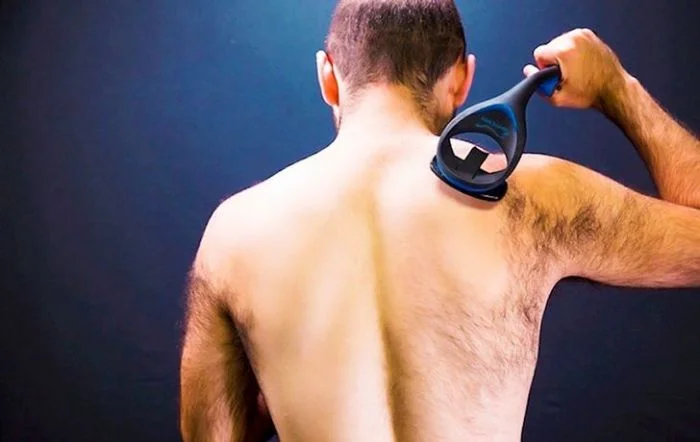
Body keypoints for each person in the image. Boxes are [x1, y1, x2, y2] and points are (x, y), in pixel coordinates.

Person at [179, 1, 700, 441]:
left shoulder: (235, 232)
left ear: (327, 77)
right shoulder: (537, 198)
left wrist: (286, 372)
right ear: (461, 81)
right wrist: (616, 87)